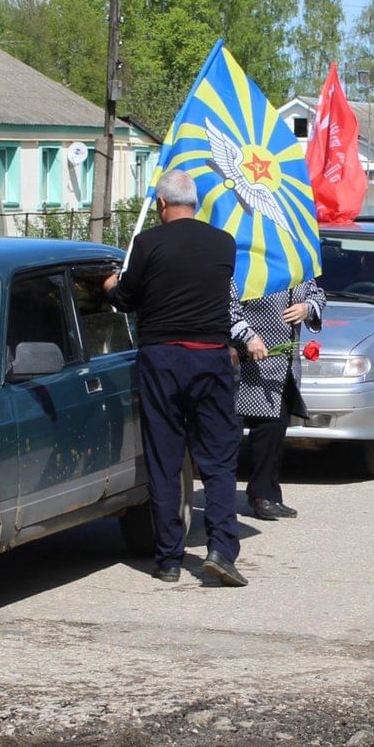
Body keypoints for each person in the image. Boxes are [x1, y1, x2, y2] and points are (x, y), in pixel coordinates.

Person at [105, 169, 259, 586]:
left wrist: (111, 285)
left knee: (165, 458)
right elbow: (223, 299)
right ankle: (221, 550)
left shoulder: (147, 243)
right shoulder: (223, 244)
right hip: (210, 358)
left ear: (160, 204)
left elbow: (127, 299)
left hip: (162, 360)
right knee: (218, 458)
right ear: (195, 203)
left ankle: (170, 559)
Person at [235, 278, 325, 520]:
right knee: (266, 427)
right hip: (255, 361)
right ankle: (259, 495)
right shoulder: (255, 270)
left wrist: (307, 308)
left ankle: (271, 493)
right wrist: (247, 337)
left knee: (278, 427)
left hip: (287, 364)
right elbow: (231, 309)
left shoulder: (300, 269)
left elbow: (319, 296)